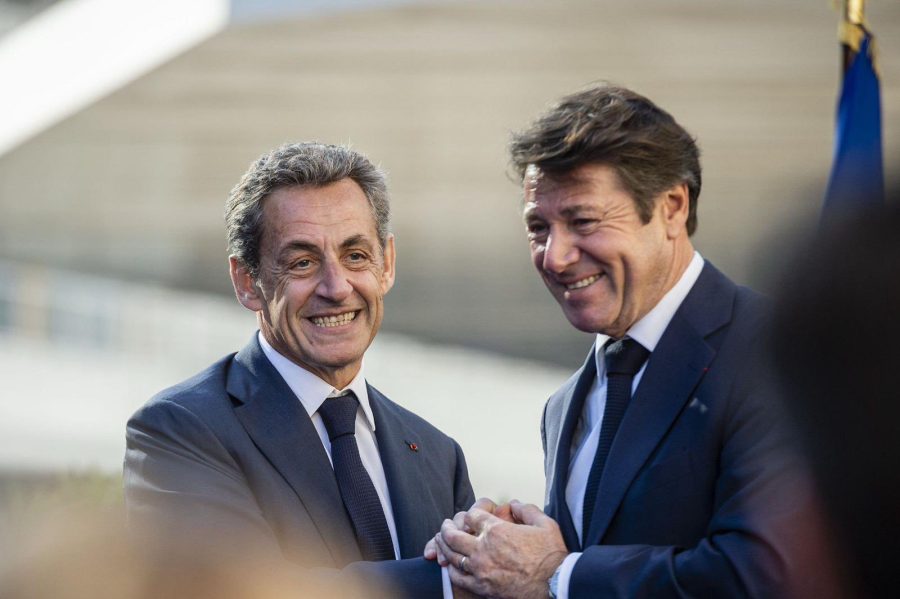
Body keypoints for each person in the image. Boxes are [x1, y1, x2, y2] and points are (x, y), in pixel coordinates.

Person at [430, 84, 816, 598]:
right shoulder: (565, 404)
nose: (555, 256)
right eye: (538, 228)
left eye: (583, 221)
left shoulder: (776, 352)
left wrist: (557, 573)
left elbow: (764, 573)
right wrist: (501, 545)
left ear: (673, 208)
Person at [124, 142, 475, 597]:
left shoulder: (436, 454)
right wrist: (457, 579)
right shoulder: (179, 431)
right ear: (247, 282)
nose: (336, 286)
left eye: (355, 256)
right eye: (303, 262)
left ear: (386, 264)